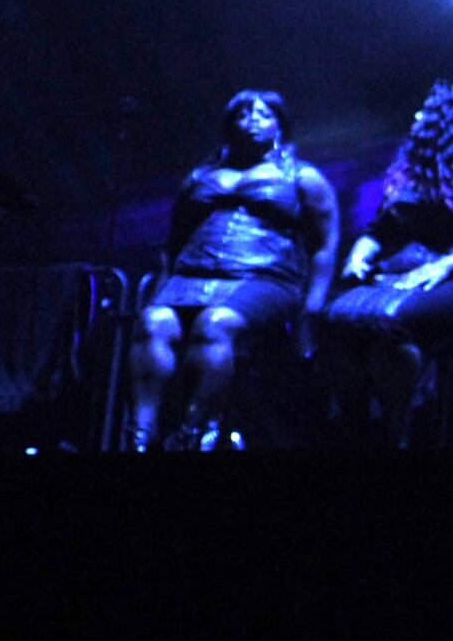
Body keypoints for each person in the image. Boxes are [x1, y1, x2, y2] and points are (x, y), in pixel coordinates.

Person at [321, 82, 453, 441]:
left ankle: (397, 430)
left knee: (391, 321)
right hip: (410, 274)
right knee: (336, 316)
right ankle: (355, 427)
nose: (418, 118)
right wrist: (359, 255)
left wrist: (447, 264)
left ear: (449, 121)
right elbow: (380, 229)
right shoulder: (413, 175)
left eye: (426, 112)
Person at [133, 91, 338, 451]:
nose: (252, 119)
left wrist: (313, 306)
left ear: (280, 125)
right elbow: (173, 241)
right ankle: (139, 435)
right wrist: (157, 292)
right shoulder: (200, 176)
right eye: (243, 113)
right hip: (192, 275)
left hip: (265, 278)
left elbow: (325, 244)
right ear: (230, 125)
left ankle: (192, 432)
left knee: (216, 323)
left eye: (262, 113)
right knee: (154, 323)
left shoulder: (303, 177)